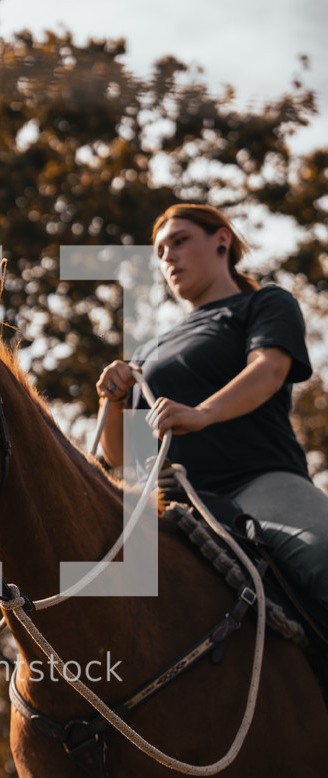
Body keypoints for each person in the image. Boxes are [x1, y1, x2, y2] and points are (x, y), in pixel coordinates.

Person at [97, 203, 328, 611]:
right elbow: (116, 455)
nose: (169, 257)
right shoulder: (147, 350)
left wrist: (202, 413)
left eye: (180, 241)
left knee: (323, 554)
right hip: (168, 506)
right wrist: (114, 401)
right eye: (161, 251)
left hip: (257, 483)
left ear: (222, 239)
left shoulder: (263, 304)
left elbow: (269, 369)